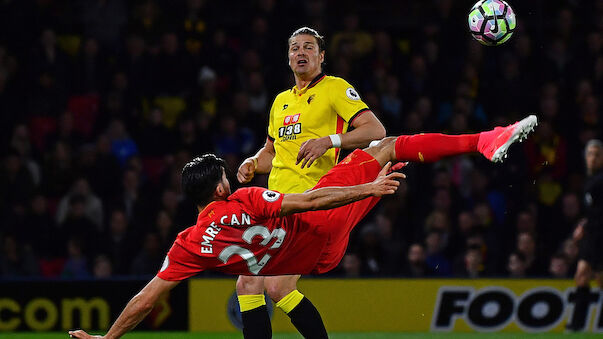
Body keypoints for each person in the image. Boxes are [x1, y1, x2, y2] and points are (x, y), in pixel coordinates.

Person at [68, 114, 537, 339]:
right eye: (226, 177)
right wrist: (366, 192)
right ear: (218, 190)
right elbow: (311, 199)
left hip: (312, 260)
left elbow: (146, 299)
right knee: (387, 148)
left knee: (254, 285)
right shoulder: (245, 201)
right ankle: (483, 141)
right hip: (321, 225)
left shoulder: (188, 245)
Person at [235, 27, 386, 339]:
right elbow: (271, 153)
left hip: (311, 202)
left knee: (263, 283)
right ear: (288, 58)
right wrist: (252, 163)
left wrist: (328, 141)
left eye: (308, 47)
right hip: (274, 203)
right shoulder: (280, 101)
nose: (300, 53)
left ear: (321, 56)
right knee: (264, 284)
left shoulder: (334, 89)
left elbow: (376, 131)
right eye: (294, 48)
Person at [566, 139, 603, 331]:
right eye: (590, 154)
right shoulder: (589, 180)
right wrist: (583, 225)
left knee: (599, 278)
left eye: (597, 154)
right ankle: (577, 324)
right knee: (582, 275)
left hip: (600, 235)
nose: (593, 158)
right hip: (592, 235)